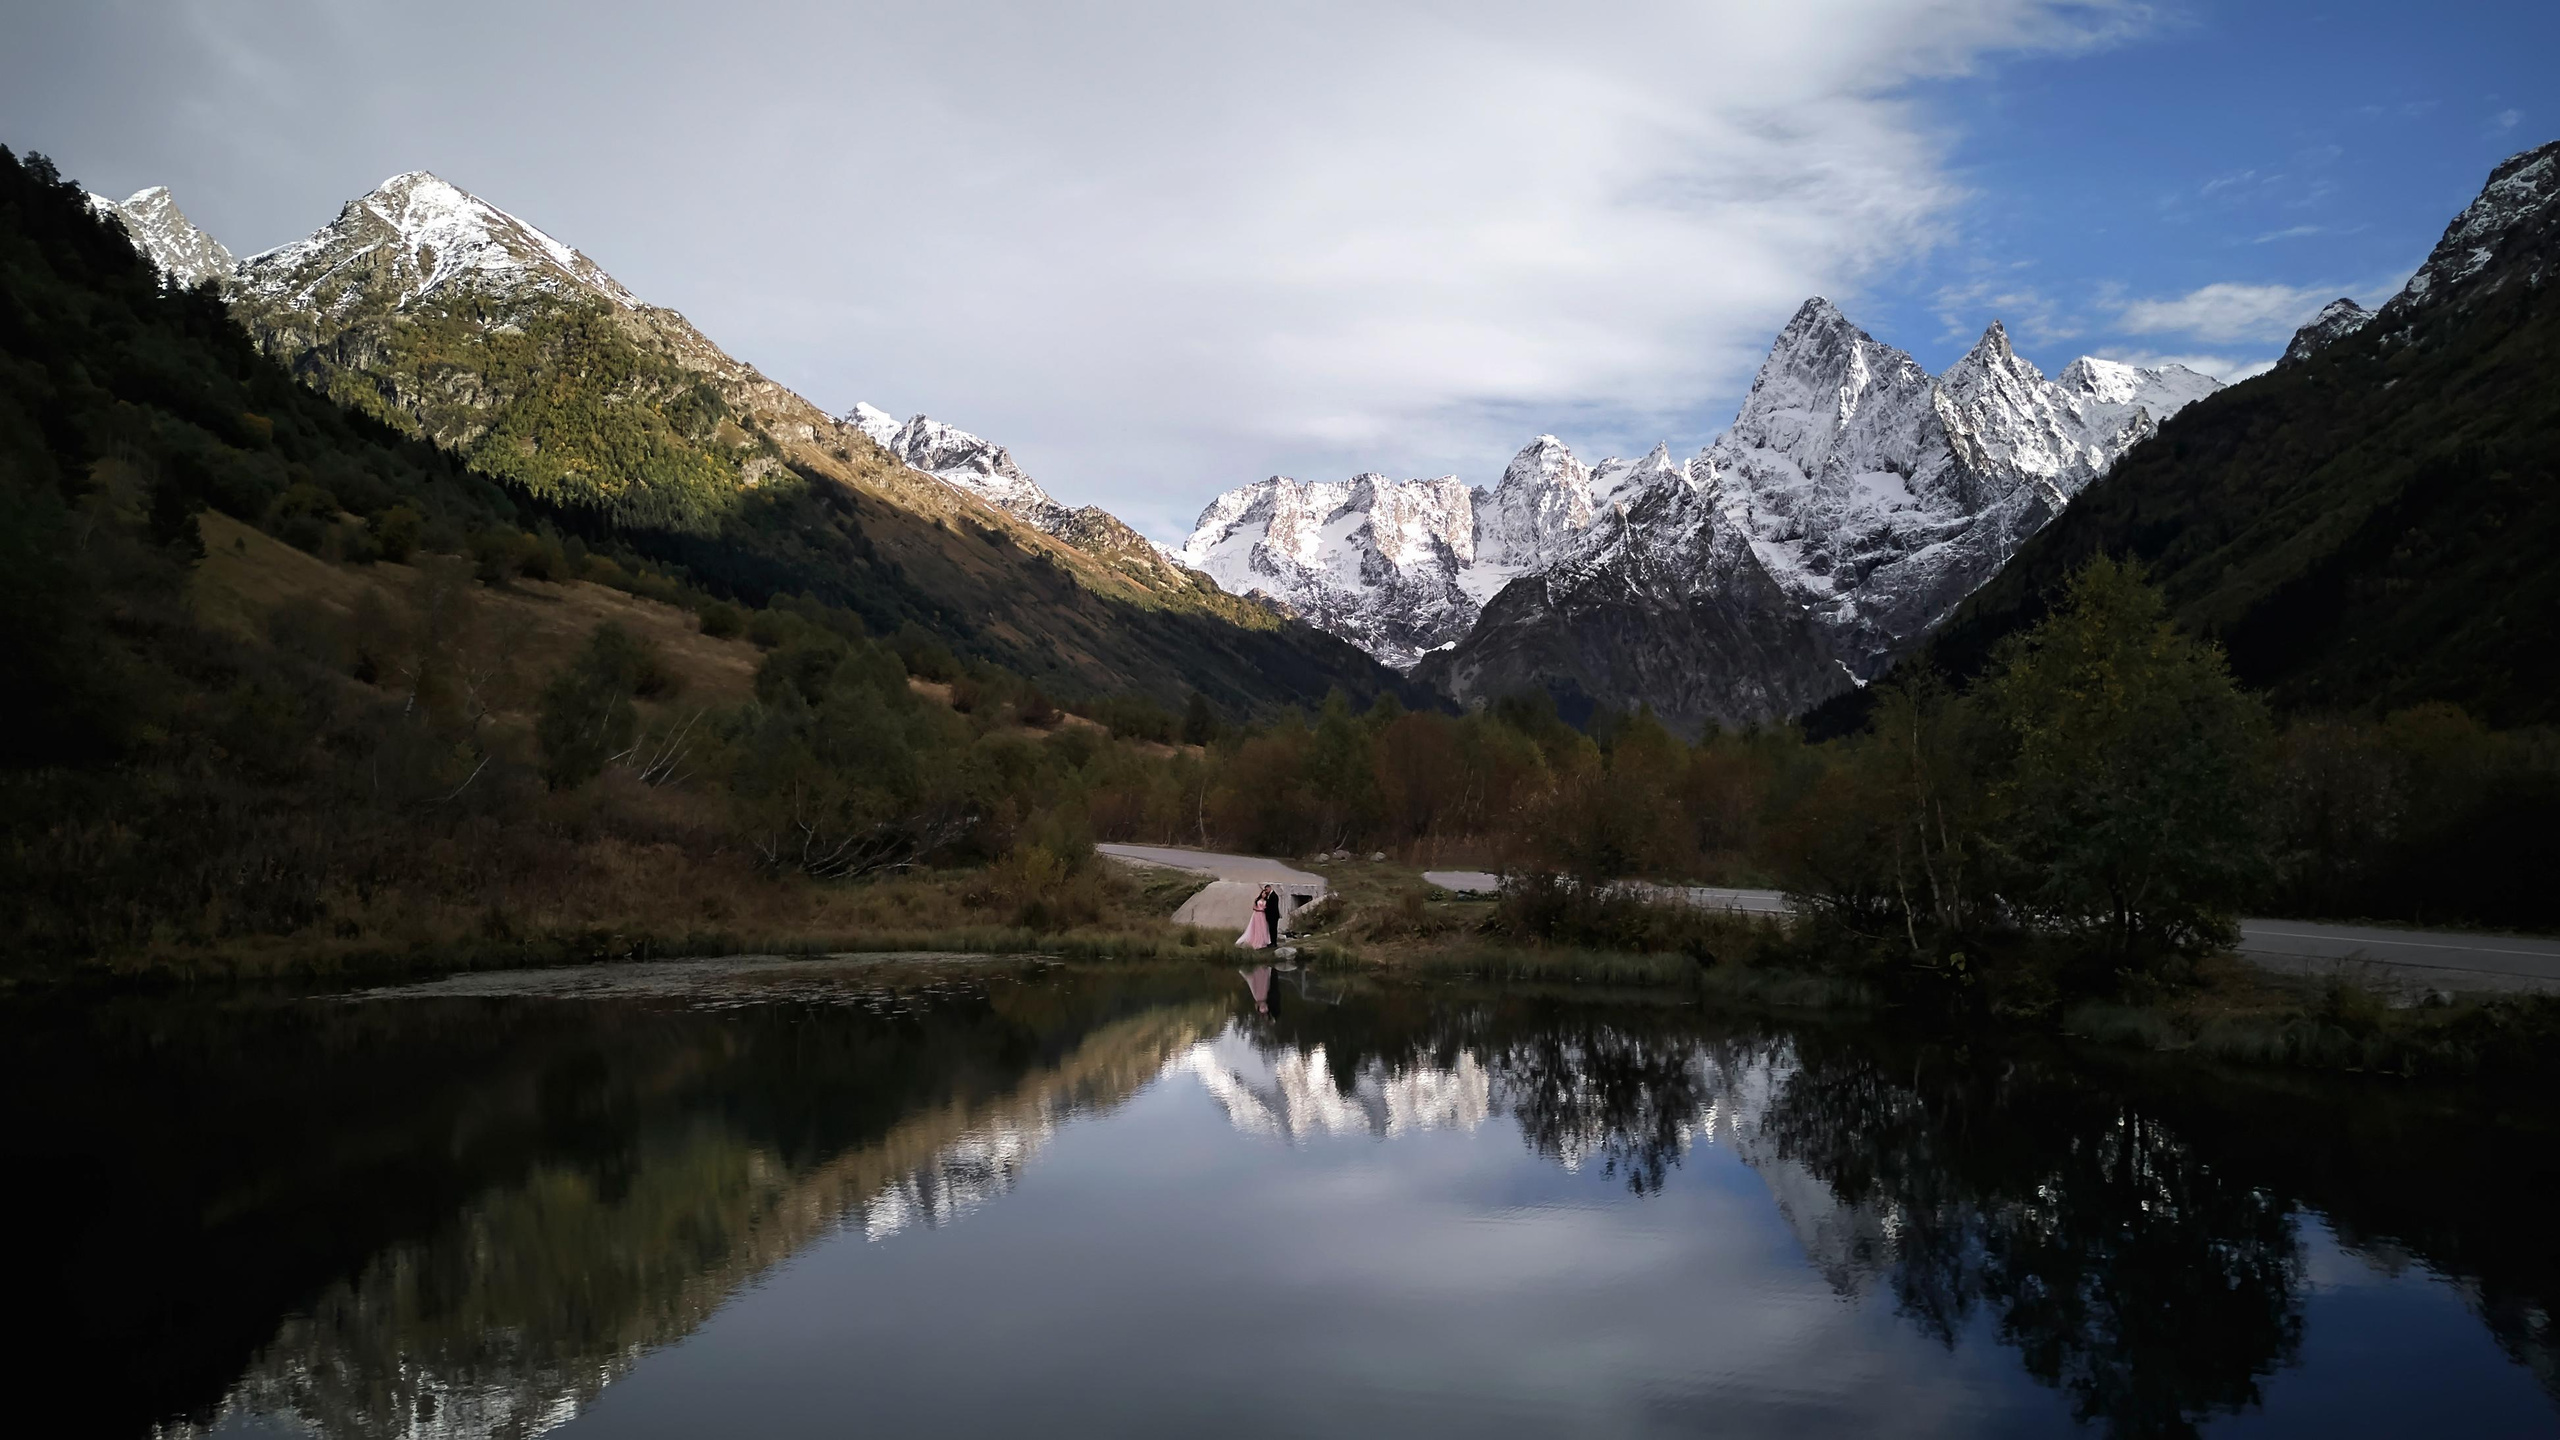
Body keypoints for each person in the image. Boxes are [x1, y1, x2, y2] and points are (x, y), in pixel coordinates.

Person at [1237, 884, 1275, 949]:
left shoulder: (1266, 901)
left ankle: (1263, 940)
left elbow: (1267, 908)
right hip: (1257, 914)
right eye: (1263, 893)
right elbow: (1254, 907)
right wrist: (1259, 909)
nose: (1264, 895)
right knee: (1256, 927)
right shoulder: (1257, 900)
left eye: (1265, 894)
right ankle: (1256, 940)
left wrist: (1264, 910)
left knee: (1263, 927)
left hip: (1263, 915)